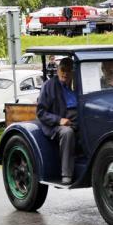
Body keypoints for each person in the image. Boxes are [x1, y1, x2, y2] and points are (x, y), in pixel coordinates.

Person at [37, 57, 77, 185]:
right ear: (58, 70)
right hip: (55, 124)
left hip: (78, 119)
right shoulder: (48, 86)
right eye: (63, 70)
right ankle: (66, 174)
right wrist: (59, 120)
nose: (65, 73)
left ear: (73, 73)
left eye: (69, 71)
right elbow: (41, 112)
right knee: (67, 132)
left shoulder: (77, 86)